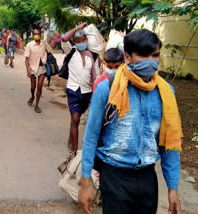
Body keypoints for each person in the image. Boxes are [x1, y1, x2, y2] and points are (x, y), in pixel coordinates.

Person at [78, 29, 182, 214]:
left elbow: (169, 144)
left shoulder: (166, 93)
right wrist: (85, 182)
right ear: (127, 57)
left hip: (147, 178)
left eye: (155, 55)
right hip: (114, 176)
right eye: (143, 55)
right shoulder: (107, 89)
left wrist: (173, 188)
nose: (151, 61)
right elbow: (91, 136)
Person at [61, 23, 101, 152]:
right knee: (75, 118)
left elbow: (96, 76)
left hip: (86, 91)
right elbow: (64, 39)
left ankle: (70, 138)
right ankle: (75, 151)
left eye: (83, 40)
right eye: (78, 41)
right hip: (73, 89)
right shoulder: (71, 51)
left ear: (87, 40)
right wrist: (77, 28)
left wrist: (96, 94)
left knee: (76, 120)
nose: (81, 43)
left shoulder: (93, 56)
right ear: (75, 42)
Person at [24, 28, 52, 113]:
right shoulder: (29, 45)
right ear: (33, 35)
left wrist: (47, 42)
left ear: (40, 34)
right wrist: (27, 70)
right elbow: (26, 59)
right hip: (32, 67)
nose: (37, 35)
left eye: (39, 33)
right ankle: (32, 96)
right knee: (33, 87)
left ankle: (36, 105)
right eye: (35, 33)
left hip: (42, 67)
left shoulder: (43, 43)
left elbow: (50, 51)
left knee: (39, 86)